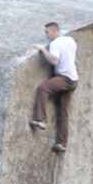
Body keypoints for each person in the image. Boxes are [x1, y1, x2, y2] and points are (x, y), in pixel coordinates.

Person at [30, 22, 79, 153]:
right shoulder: (70, 40)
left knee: (43, 88)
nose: (46, 35)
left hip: (64, 78)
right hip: (74, 79)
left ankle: (40, 119)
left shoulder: (56, 44)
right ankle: (62, 143)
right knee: (63, 111)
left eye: (47, 32)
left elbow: (54, 60)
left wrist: (43, 49)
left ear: (54, 31)